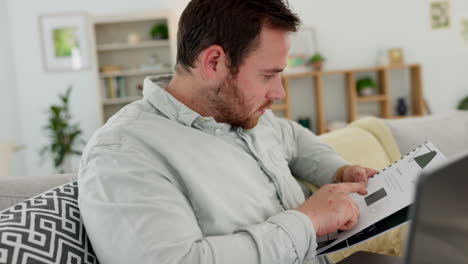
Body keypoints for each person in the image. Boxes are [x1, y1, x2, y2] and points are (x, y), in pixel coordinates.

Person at [78, 0, 378, 263]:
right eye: (268, 75)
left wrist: (339, 171)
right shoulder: (123, 152)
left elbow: (295, 139)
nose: (279, 93)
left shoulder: (247, 112)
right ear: (214, 62)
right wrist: (308, 220)